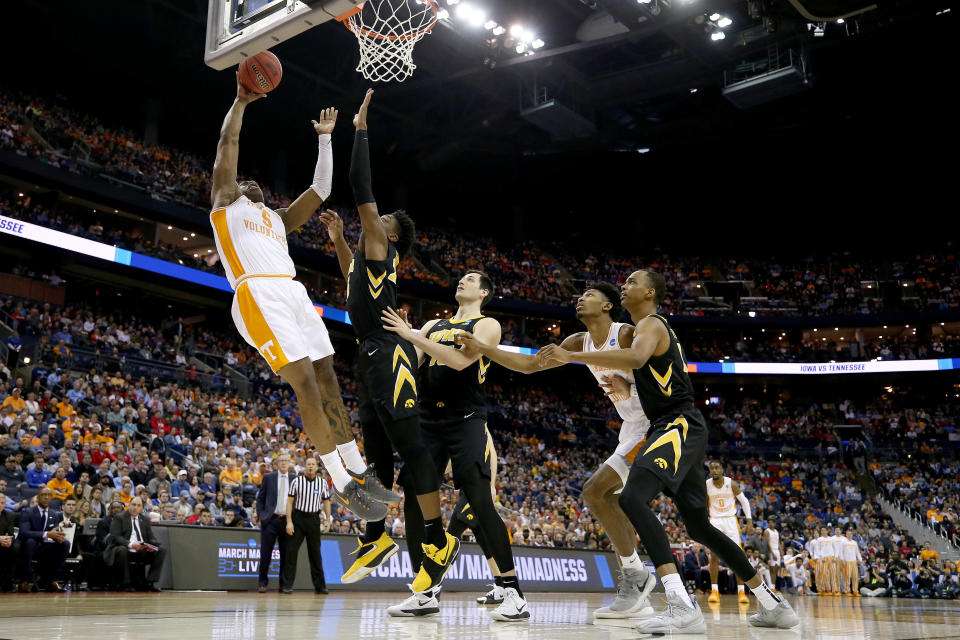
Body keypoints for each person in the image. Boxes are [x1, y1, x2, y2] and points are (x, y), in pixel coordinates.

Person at [537, 269, 799, 632]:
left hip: (677, 422)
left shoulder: (652, 324)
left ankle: (680, 604)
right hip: (672, 426)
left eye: (631, 282)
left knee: (631, 498)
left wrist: (573, 358)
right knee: (698, 527)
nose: (624, 286)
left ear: (648, 293)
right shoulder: (636, 327)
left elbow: (638, 358)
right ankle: (774, 604)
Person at [209, 73, 395, 521]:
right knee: (306, 384)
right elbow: (227, 145)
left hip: (292, 291)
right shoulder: (224, 204)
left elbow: (322, 191)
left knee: (329, 375)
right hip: (256, 292)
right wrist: (241, 102)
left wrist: (326, 140)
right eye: (244, 182)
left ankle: (357, 467)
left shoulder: (275, 220)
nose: (251, 183)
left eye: (256, 183)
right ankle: (340, 479)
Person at [319, 89, 455, 592]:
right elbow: (353, 280)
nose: (373, 222)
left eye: (382, 221)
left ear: (390, 236)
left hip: (389, 352)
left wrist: (360, 129)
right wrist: (335, 242)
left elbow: (359, 183)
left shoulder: (380, 244)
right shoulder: (368, 262)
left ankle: (437, 538)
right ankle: (376, 535)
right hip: (368, 353)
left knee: (410, 448)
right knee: (374, 455)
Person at [456, 282, 653, 619]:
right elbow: (529, 366)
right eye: (581, 295)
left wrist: (632, 385)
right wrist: (483, 348)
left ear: (608, 307)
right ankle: (639, 584)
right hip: (630, 429)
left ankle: (642, 578)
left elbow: (657, 372)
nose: (581, 298)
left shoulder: (626, 335)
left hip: (654, 425)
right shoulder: (577, 341)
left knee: (597, 492)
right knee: (602, 496)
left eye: (590, 295)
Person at [379, 271, 528, 621]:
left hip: (466, 419)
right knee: (414, 495)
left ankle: (512, 591)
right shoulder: (433, 323)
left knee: (479, 498)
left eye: (472, 279)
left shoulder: (487, 324)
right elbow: (410, 363)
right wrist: (400, 340)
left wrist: (413, 336)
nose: (463, 280)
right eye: (461, 277)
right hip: (429, 420)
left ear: (484, 291)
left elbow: (461, 361)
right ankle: (426, 589)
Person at [702, 461, 754, 604]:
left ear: (722, 469)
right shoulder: (706, 484)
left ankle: (741, 592)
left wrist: (749, 521)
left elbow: (744, 502)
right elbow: (701, 503)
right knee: (714, 555)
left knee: (737, 556)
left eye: (717, 467)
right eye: (712, 468)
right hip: (715, 520)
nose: (714, 470)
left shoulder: (731, 483)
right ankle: (714, 591)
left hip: (731, 520)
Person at [282, 458, 330, 594]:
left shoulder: (322, 483)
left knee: (315, 554)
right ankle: (287, 585)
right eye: (308, 464)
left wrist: (327, 520)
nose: (310, 467)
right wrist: (289, 521)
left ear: (316, 467)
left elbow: (326, 502)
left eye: (313, 465)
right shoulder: (297, 481)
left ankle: (320, 587)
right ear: (304, 467)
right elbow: (290, 502)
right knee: (291, 552)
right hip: (298, 518)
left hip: (314, 519)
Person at [255, 451, 297, 593]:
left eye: (286, 460)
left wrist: (294, 520)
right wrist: (262, 516)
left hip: (287, 521)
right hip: (271, 520)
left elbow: (298, 501)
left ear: (290, 463)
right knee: (265, 554)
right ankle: (262, 583)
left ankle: (283, 584)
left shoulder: (295, 479)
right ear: (277, 464)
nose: (284, 463)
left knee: (286, 555)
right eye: (281, 460)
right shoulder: (268, 477)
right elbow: (260, 499)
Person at [104, 496, 166, 591]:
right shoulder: (119, 517)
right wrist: (131, 544)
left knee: (161, 550)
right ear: (129, 505)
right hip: (123, 548)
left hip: (141, 550)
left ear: (141, 508)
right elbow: (115, 537)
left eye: (138, 505)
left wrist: (151, 545)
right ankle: (126, 584)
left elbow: (151, 537)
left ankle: (151, 582)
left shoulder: (145, 519)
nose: (135, 507)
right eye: (133, 504)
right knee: (122, 550)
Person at [17, 487, 69, 592]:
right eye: (43, 495)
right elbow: (24, 532)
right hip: (29, 546)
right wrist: (46, 534)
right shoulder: (28, 511)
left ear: (52, 498)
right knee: (30, 542)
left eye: (49, 495)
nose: (46, 497)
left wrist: (58, 536)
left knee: (65, 544)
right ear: (38, 497)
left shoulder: (54, 514)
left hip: (45, 546)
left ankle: (52, 579)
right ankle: (26, 580)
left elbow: (53, 532)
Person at [0, 494, 19, 592]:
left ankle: (8, 581)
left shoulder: (10, 515)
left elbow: (10, 533)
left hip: (4, 542)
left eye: (2, 503)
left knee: (15, 547)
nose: (0, 505)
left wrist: (8, 540)